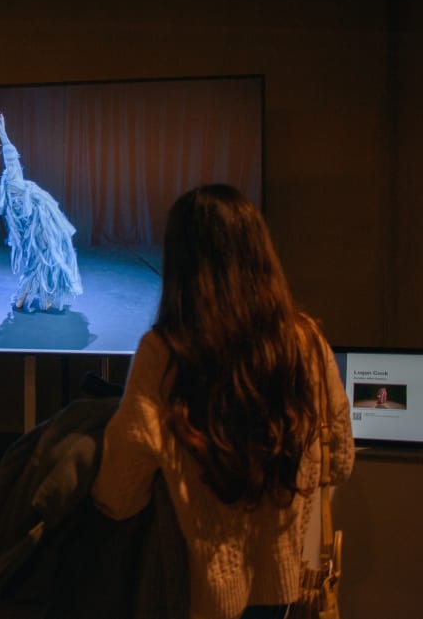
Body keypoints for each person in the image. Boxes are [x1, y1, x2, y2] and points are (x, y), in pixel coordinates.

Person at [91, 184, 355, 619]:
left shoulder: (164, 353)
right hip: (287, 595)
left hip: (198, 598)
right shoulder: (308, 343)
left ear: (182, 264)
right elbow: (340, 462)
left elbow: (118, 494)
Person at [0, 109, 83, 312]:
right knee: (48, 259)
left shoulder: (6, 208)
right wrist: (1, 130)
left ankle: (40, 299)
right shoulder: (10, 183)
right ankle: (37, 299)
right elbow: (10, 157)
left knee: (42, 260)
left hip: (39, 230)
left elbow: (19, 235)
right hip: (44, 226)